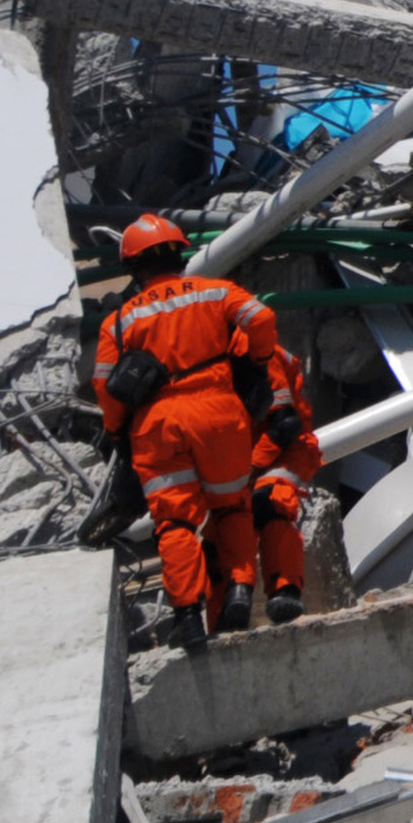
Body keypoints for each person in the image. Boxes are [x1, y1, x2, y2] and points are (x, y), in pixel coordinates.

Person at [93, 215, 296, 651]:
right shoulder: (216, 291)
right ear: (180, 253)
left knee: (175, 522)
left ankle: (188, 619)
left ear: (133, 267)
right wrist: (258, 363)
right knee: (232, 508)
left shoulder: (120, 321)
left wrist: (115, 432)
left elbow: (105, 386)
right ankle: (241, 590)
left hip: (159, 425)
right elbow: (260, 318)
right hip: (220, 415)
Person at [242, 347, 322, 625]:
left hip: (287, 451)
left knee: (270, 502)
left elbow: (286, 425)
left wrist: (251, 467)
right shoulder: (209, 354)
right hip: (243, 458)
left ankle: (285, 592)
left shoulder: (260, 355)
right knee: (227, 522)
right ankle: (231, 603)